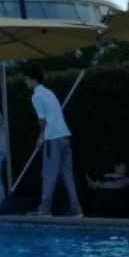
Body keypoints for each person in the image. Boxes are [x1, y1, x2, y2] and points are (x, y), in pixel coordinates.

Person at [23, 65, 82, 218]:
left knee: (49, 174)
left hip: (52, 138)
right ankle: (76, 208)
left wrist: (40, 137)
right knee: (67, 175)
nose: (25, 82)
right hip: (65, 136)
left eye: (27, 79)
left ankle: (44, 209)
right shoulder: (50, 93)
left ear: (33, 79)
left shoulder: (36, 96)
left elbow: (42, 121)